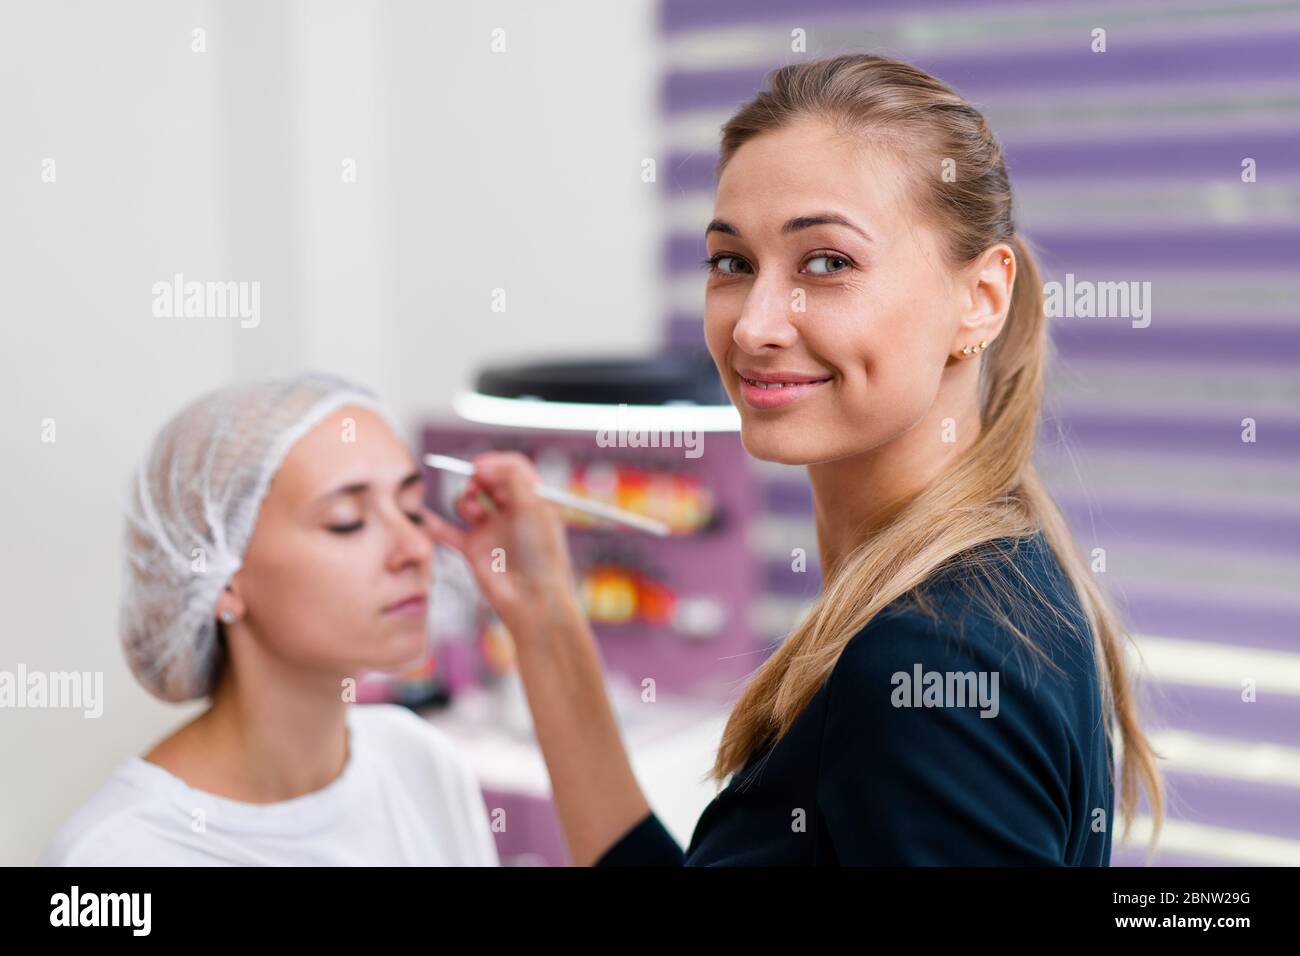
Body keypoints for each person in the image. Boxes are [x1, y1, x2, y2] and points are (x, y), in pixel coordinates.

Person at [423, 54, 1164, 866]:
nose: (754, 326)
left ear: (980, 299)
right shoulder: (993, 581)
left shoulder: (927, 665)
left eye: (827, 262)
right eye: (732, 264)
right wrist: (544, 616)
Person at [40, 372, 498, 866]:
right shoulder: (118, 855)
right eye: (347, 521)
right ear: (220, 575)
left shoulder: (421, 762)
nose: (415, 549)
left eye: (410, 510)